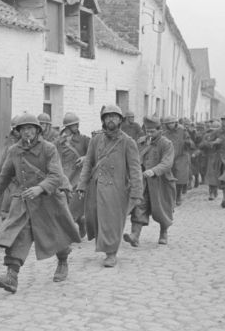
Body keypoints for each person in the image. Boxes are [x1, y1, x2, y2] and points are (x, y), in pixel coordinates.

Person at [0, 113, 81, 292]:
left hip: (49, 199)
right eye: (23, 129)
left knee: (57, 234)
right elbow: (5, 175)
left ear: (38, 130)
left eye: (30, 128)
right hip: (25, 201)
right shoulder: (14, 150)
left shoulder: (49, 149)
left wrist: (40, 188)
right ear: (18, 132)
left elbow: (56, 175)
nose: (27, 132)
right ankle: (11, 277)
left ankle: (62, 262)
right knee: (19, 236)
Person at [77, 104, 143, 267]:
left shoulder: (128, 142)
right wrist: (82, 185)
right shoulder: (96, 140)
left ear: (120, 120)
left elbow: (135, 169)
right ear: (103, 120)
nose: (110, 120)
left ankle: (111, 253)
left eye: (114, 117)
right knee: (96, 219)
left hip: (117, 188)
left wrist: (136, 192)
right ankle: (105, 246)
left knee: (113, 221)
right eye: (107, 117)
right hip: (97, 186)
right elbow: (88, 164)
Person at [124, 116, 175, 247]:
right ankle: (135, 235)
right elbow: (132, 158)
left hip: (161, 182)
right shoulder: (141, 142)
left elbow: (167, 163)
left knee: (162, 208)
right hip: (144, 182)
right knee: (139, 205)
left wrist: (154, 171)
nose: (149, 134)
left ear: (160, 130)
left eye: (152, 131)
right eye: (147, 131)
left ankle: (163, 233)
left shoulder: (166, 144)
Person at [55, 112, 91, 238]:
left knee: (72, 206)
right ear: (67, 127)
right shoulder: (58, 142)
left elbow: (95, 153)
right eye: (73, 125)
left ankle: (70, 230)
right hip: (63, 178)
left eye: (77, 124)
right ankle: (80, 222)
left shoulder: (84, 140)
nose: (76, 126)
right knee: (62, 206)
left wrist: (85, 158)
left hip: (78, 178)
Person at [162, 115, 194, 206]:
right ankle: (171, 196)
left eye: (172, 123)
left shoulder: (182, 130)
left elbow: (189, 141)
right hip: (169, 157)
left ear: (176, 123)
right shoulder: (164, 133)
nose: (170, 125)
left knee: (180, 177)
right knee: (169, 177)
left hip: (181, 156)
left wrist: (188, 142)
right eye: (168, 123)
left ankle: (178, 196)